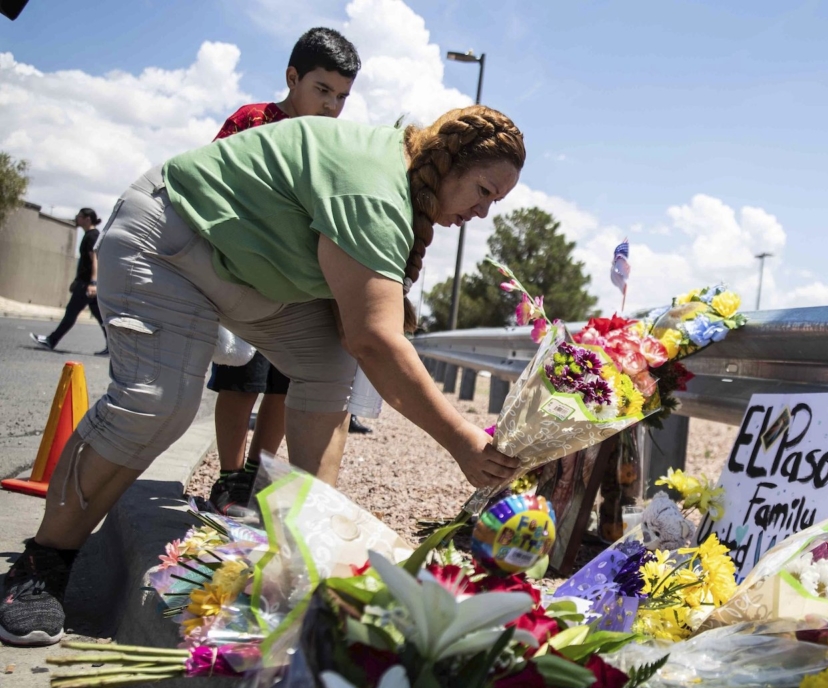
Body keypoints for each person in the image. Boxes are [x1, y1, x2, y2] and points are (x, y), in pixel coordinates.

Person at [0, 105, 525, 646]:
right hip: (170, 241)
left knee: (329, 365)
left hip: (243, 272)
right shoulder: (373, 188)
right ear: (451, 163)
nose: (482, 212)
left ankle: (301, 556)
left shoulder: (397, 184)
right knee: (160, 402)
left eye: (495, 201)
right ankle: (42, 565)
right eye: (484, 191)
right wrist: (463, 440)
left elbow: (356, 338)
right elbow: (376, 340)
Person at [204, 27, 363, 518]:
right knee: (241, 381)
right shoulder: (255, 121)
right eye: (322, 90)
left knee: (281, 383)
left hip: (296, 286)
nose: (332, 106)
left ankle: (257, 474)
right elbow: (213, 177)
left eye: (341, 97)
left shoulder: (330, 143)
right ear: (292, 77)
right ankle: (229, 477)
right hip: (244, 276)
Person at [30, 208, 109, 356]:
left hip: (87, 285)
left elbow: (95, 260)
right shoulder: (89, 235)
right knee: (100, 316)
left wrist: (93, 283)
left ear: (87, 219)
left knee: (71, 313)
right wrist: (77, 280)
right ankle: (113, 348)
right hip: (85, 282)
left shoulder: (92, 236)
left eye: (79, 216)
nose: (76, 218)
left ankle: (51, 341)